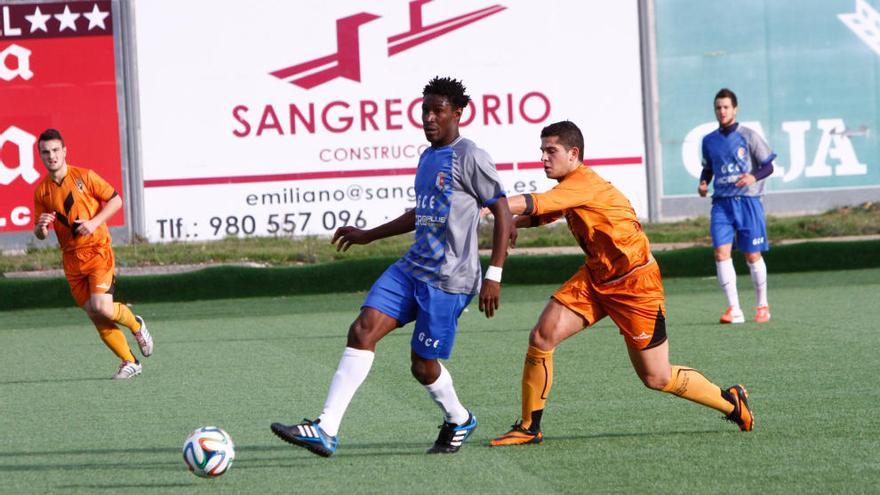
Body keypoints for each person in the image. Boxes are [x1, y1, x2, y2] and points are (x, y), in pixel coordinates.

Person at [270, 77, 512, 456]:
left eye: (438, 111)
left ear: (459, 113)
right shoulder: (428, 155)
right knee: (362, 330)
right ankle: (325, 428)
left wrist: (494, 275)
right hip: (412, 268)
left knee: (422, 366)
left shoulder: (470, 156)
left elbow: (502, 211)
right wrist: (369, 235)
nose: (429, 118)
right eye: (425, 110)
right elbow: (423, 212)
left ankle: (458, 417)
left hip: (450, 279)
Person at [490, 121, 753, 447]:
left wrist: (490, 204)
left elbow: (535, 203)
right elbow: (547, 211)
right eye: (542, 150)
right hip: (597, 277)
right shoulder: (571, 187)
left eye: (550, 151)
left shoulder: (583, 182)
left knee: (657, 377)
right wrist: (514, 221)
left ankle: (731, 401)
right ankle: (529, 427)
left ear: (573, 154)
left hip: (635, 286)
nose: (543, 157)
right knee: (542, 336)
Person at [32, 128, 153, 380]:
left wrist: (95, 222)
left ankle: (136, 324)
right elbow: (40, 234)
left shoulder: (84, 176)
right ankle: (130, 361)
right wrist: (41, 227)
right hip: (71, 259)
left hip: (97, 251)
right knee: (93, 312)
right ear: (40, 156)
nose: (51, 156)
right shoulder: (41, 192)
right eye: (46, 152)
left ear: (64, 151)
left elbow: (116, 200)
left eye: (55, 150)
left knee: (102, 307)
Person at [699, 88, 775, 324]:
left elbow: (768, 166)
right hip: (721, 203)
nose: (722, 111)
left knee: (752, 255)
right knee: (721, 252)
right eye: (718, 107)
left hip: (748, 202)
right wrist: (703, 182)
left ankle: (762, 305)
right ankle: (734, 309)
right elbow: (709, 167)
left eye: (726, 107)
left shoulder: (749, 136)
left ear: (735, 109)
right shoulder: (709, 140)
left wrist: (753, 177)